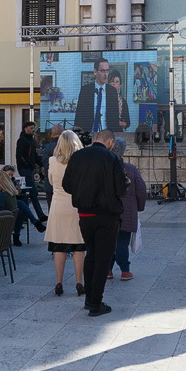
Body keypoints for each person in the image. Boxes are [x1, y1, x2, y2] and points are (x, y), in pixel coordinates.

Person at [63, 129, 126, 317]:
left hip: (85, 215)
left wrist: (83, 190)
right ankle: (95, 303)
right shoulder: (112, 159)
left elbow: (67, 185)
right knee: (103, 259)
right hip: (107, 215)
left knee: (91, 255)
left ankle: (89, 298)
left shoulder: (77, 156)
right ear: (110, 142)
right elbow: (121, 188)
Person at [47, 131, 86, 297]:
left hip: (58, 206)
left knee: (59, 246)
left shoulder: (52, 161)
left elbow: (50, 181)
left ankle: (59, 282)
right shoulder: (82, 161)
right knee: (79, 247)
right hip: (77, 206)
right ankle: (79, 282)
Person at [109, 137, 147, 281]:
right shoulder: (130, 169)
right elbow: (141, 190)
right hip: (126, 211)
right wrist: (140, 207)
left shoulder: (106, 167)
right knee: (122, 242)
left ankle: (108, 270)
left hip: (109, 210)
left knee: (109, 242)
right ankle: (125, 270)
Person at [75, 58, 125, 133]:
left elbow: (114, 117)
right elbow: (79, 116)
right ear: (95, 71)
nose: (105, 74)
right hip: (89, 134)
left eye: (107, 71)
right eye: (102, 71)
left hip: (107, 135)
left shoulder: (112, 91)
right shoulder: (85, 90)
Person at [39, 125, 63, 202]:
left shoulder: (47, 147)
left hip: (49, 181)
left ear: (52, 134)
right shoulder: (63, 146)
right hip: (61, 184)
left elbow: (45, 163)